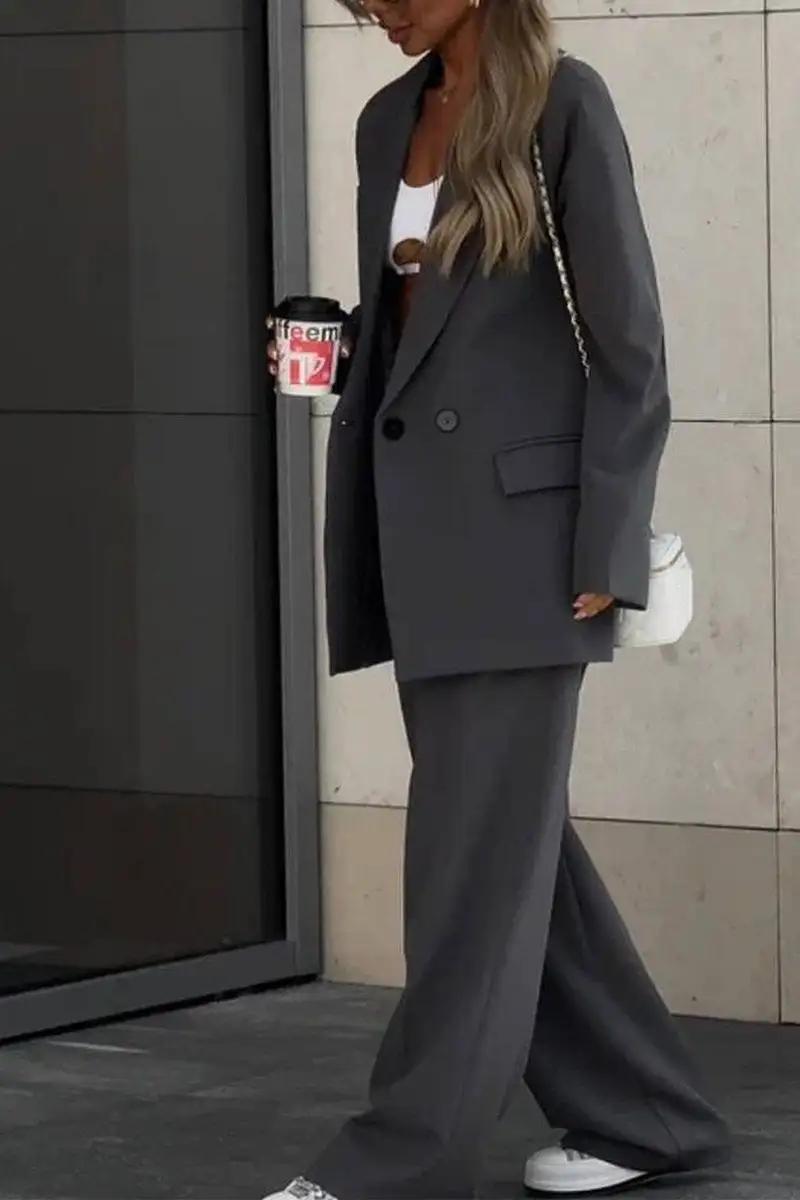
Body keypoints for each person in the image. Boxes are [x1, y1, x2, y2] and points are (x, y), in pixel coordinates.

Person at [265, 1, 731, 1197]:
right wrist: (336, 346)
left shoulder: (561, 105)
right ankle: (647, 1115)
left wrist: (609, 541)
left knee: (466, 871)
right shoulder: (387, 120)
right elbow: (421, 338)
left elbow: (629, 343)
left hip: (530, 550)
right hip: (420, 537)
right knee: (509, 852)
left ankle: (393, 1162)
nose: (373, 8)